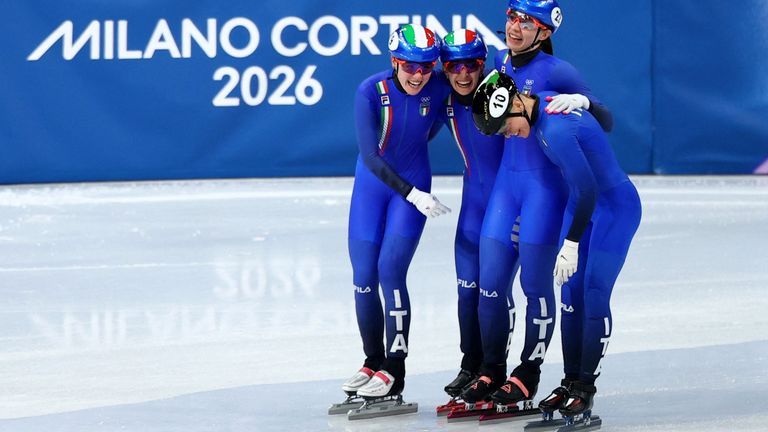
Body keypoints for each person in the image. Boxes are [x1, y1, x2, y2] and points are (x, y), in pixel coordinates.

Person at [459, 0, 615, 410]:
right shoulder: (498, 59)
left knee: (534, 286)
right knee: (490, 284)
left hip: (544, 191)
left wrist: (585, 104)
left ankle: (528, 372)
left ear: (545, 33)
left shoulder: (558, 72)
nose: (515, 27)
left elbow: (606, 121)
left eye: (527, 22)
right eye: (512, 17)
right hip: (505, 188)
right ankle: (492, 367)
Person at [472, 70, 641, 421]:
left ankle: (585, 388)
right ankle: (569, 382)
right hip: (581, 207)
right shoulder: (540, 104)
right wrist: (587, 104)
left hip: (613, 209)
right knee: (569, 299)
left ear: (517, 103)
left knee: (593, 294)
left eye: (505, 125)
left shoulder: (557, 129)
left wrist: (571, 243)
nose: (508, 134)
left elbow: (590, 188)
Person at [340, 24, 452, 411]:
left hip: (413, 185)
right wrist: (412, 192)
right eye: (410, 66)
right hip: (377, 187)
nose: (419, 74)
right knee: (363, 277)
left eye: (426, 67)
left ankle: (395, 369)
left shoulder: (440, 86)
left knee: (390, 272)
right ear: (394, 61)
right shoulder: (371, 91)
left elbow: (437, 123)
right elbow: (371, 156)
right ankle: (373, 362)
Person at [435, 29, 509, 407]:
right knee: (467, 293)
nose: (463, 74)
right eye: (454, 66)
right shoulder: (443, 97)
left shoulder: (502, 90)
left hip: (509, 206)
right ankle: (472, 363)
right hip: (473, 207)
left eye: (472, 65)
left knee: (494, 294)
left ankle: (496, 368)